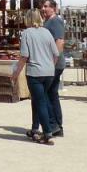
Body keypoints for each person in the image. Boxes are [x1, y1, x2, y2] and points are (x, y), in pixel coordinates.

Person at [11, 9, 58, 145]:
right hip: (48, 72)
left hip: (35, 72)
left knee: (40, 101)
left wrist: (15, 74)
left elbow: (24, 56)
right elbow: (56, 53)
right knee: (38, 100)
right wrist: (50, 66)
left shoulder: (27, 33)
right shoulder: (47, 32)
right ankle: (35, 128)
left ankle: (47, 133)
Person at [39, 0, 67, 138]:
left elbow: (60, 42)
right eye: (42, 6)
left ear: (53, 8)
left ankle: (53, 125)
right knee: (52, 94)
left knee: (46, 94)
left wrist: (52, 63)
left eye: (46, 6)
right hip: (52, 63)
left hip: (54, 64)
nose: (43, 9)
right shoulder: (48, 21)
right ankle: (57, 126)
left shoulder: (55, 21)